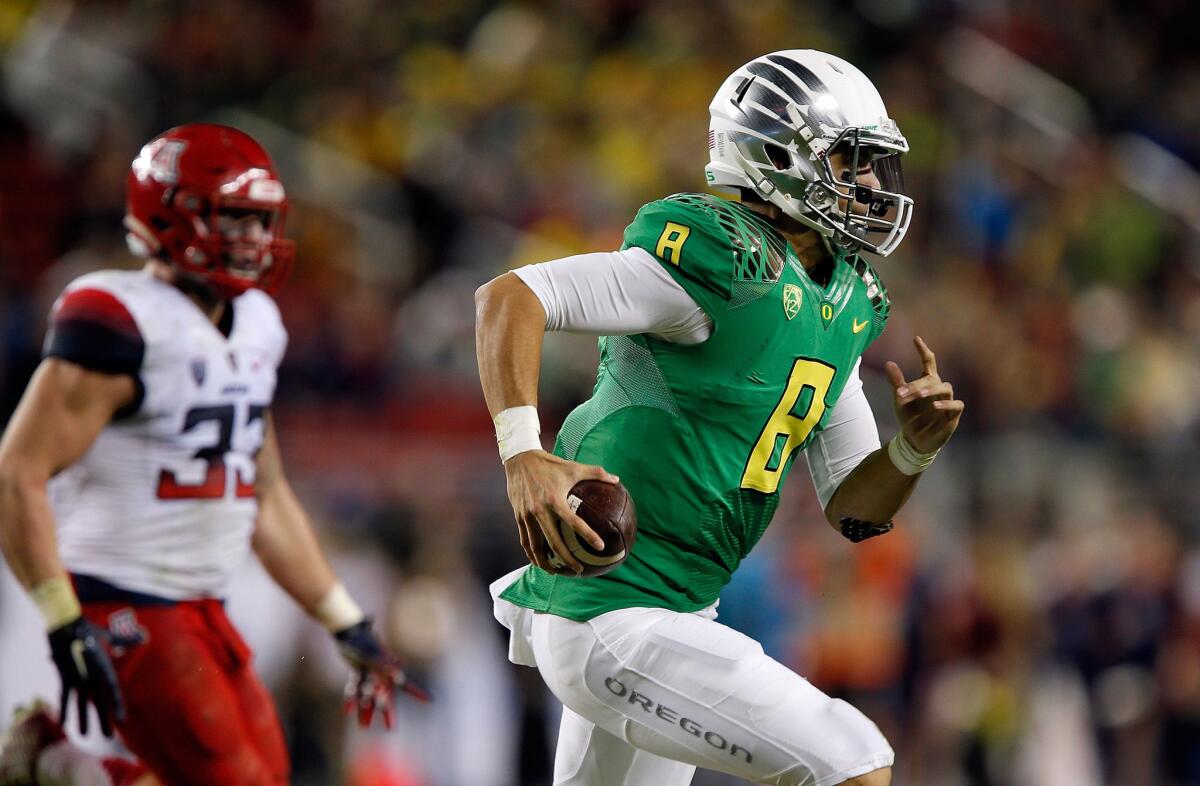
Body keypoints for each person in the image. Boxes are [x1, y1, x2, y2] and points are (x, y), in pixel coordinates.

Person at [475, 50, 963, 786]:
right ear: (775, 155)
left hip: (680, 614)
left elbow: (853, 512)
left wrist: (912, 451)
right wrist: (522, 451)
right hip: (612, 612)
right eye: (850, 160)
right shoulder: (718, 259)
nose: (869, 184)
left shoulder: (846, 302)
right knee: (852, 761)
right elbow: (512, 296)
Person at [0, 124, 425, 786]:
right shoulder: (117, 320)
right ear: (170, 212)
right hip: (123, 597)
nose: (255, 239)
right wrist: (61, 617)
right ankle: (61, 764)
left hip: (203, 605)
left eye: (262, 221)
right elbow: (16, 472)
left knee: (264, 775)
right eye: (237, 218)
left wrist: (344, 619)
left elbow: (265, 491)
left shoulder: (257, 323)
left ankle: (60, 766)